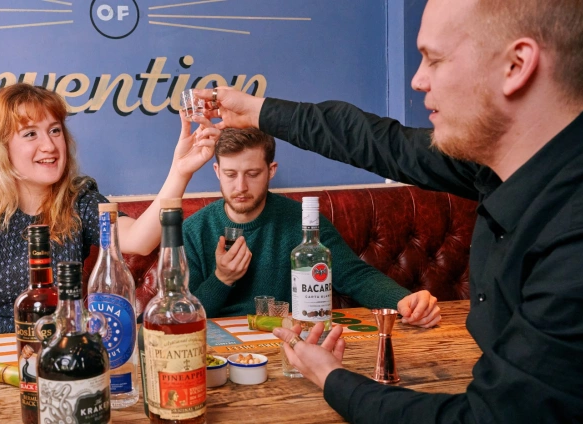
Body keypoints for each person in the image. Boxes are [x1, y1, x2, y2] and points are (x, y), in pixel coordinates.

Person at [195, 0, 583, 421]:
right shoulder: (515, 158)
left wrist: (334, 380)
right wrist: (257, 111)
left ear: (516, 65)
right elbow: (381, 141)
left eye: (433, 59)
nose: (417, 81)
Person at [0, 83, 219, 338]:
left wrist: (180, 171)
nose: (50, 146)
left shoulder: (78, 197)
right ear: (0, 146)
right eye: (30, 134)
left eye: (54, 130)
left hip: (64, 350)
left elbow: (138, 239)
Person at [184, 127, 441, 327]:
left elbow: (354, 276)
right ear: (217, 171)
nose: (240, 187)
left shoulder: (302, 220)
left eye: (252, 174)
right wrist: (222, 279)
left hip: (288, 338)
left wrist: (403, 301)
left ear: (271, 170)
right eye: (230, 175)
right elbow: (187, 316)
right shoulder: (195, 229)